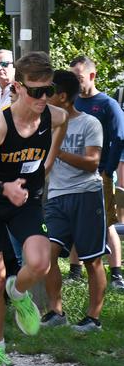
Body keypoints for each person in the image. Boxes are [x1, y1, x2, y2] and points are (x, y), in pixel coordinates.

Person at [0, 51, 67, 366]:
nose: (43, 98)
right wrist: (3, 188)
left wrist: (44, 169)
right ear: (19, 88)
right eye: (35, 91)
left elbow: (55, 141)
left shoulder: (55, 117)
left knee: (40, 262)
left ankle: (19, 290)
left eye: (48, 90)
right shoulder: (1, 123)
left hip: (25, 198)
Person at [42, 70, 108, 331]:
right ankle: (55, 312)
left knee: (92, 260)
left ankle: (93, 318)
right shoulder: (44, 124)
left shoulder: (89, 123)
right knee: (48, 255)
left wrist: (57, 150)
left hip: (86, 195)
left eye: (48, 91)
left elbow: (92, 163)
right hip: (57, 195)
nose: (43, 96)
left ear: (62, 96)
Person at [70, 56, 124, 290]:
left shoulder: (107, 104)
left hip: (99, 174)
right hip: (73, 174)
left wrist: (107, 169)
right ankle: (74, 272)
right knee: (74, 221)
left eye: (78, 77)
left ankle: (116, 274)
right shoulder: (71, 102)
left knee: (106, 224)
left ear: (92, 76)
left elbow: (120, 138)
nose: (75, 81)